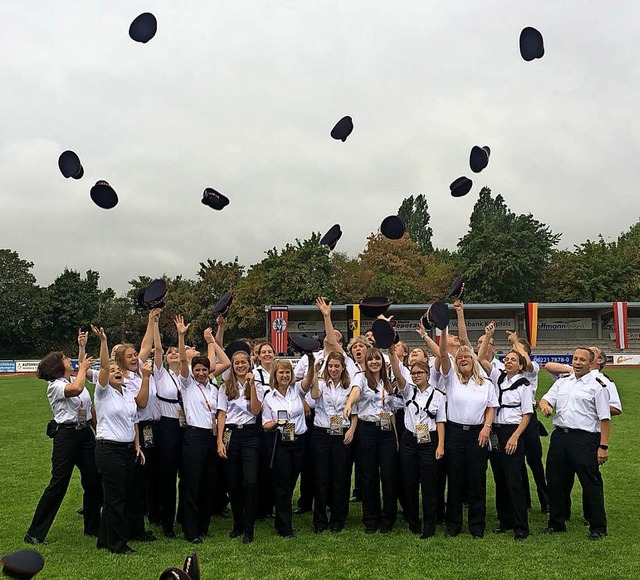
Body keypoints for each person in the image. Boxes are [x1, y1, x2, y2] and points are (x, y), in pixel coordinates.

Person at [24, 349, 101, 545]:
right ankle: (34, 532)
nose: (69, 360)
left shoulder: (72, 380)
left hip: (84, 434)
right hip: (66, 436)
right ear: (58, 365)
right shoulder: (55, 386)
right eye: (65, 358)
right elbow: (75, 390)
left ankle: (92, 526)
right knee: (58, 484)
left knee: (93, 479)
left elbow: (88, 407)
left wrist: (98, 431)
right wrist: (83, 368)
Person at [539, 347, 611, 540]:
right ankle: (556, 522)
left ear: (591, 363)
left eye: (582, 360)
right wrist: (545, 405)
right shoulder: (563, 382)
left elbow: (605, 418)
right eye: (575, 359)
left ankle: (597, 527)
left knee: (590, 483)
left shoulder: (598, 385)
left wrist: (603, 447)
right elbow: (546, 399)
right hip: (560, 437)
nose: (578, 362)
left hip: (585, 439)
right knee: (554, 481)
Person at [92, 325, 147, 555]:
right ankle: (118, 544)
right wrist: (104, 341)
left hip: (126, 450)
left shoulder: (127, 395)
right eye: (112, 369)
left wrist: (137, 446)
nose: (115, 371)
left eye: (118, 369)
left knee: (120, 495)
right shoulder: (103, 392)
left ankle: (104, 539)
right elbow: (104, 365)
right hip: (109, 450)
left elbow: (133, 421)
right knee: (115, 499)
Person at [439, 326, 498, 538]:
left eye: (467, 356)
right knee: (454, 480)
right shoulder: (450, 379)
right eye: (460, 357)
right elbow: (443, 354)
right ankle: (453, 525)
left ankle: (477, 526)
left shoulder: (485, 383)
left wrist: (486, 428)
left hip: (478, 435)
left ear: (473, 360)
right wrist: (443, 328)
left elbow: (491, 407)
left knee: (476, 481)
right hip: (455, 434)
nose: (463, 359)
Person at [479, 323, 533, 541]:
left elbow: (526, 415)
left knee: (514, 480)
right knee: (500, 478)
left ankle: (521, 526)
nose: (509, 361)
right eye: (507, 359)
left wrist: (515, 436)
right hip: (496, 432)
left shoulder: (524, 385)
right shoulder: (498, 377)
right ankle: (505, 520)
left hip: (512, 432)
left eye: (514, 360)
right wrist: (487, 336)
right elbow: (481, 359)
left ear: (520, 365)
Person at [389, 347, 445, 539]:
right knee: (409, 484)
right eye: (413, 373)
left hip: (429, 441)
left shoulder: (438, 395)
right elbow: (397, 372)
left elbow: (440, 422)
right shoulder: (407, 392)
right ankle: (413, 522)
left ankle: (430, 525)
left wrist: (440, 446)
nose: (416, 376)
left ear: (428, 374)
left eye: (420, 372)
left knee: (429, 486)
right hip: (409, 441)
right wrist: (391, 352)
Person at [113, 309, 160, 541]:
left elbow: (146, 344)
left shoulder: (138, 369)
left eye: (135, 356)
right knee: (135, 480)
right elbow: (140, 403)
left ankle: (141, 521)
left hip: (148, 428)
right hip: (135, 431)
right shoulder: (122, 379)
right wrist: (146, 378)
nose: (135, 358)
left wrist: (151, 322)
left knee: (145, 477)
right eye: (130, 356)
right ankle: (134, 527)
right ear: (121, 360)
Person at [344, 347, 398, 534]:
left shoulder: (387, 381)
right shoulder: (360, 377)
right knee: (368, 476)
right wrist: (349, 404)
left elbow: (391, 410)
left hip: (386, 431)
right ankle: (371, 519)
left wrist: (395, 436)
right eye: (370, 360)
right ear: (366, 363)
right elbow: (356, 392)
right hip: (366, 430)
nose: (374, 362)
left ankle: (388, 518)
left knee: (389, 475)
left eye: (377, 359)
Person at [175, 315, 219, 544]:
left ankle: (203, 525)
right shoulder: (188, 384)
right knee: (192, 483)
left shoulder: (214, 388)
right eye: (198, 370)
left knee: (209, 483)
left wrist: (211, 341)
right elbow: (183, 361)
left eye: (204, 369)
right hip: (193, 436)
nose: (201, 373)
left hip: (211, 438)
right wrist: (182, 336)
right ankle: (190, 530)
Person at [262, 357, 315, 538]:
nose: (284, 376)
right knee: (282, 484)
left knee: (292, 482)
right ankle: (285, 527)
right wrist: (277, 422)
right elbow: (265, 425)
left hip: (300, 441)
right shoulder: (269, 397)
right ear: (275, 375)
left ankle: (282, 518)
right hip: (281, 443)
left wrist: (311, 360)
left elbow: (308, 380)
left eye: (287, 372)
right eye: (281, 372)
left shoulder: (297, 391)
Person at [217, 348, 262, 544]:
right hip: (230, 434)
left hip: (250, 434)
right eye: (237, 363)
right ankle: (238, 523)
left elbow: (255, 410)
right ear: (233, 367)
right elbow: (221, 414)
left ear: (249, 364)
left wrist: (252, 386)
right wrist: (219, 440)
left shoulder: (256, 385)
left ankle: (249, 528)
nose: (240, 366)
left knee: (250, 482)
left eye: (244, 362)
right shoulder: (225, 387)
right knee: (232, 482)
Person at [309, 352, 357, 533]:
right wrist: (315, 372)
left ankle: (338, 518)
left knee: (341, 478)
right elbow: (314, 395)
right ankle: (320, 520)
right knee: (321, 478)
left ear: (343, 367)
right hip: (322, 434)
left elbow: (355, 412)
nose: (334, 369)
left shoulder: (349, 386)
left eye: (337, 366)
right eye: (330, 366)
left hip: (342, 434)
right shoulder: (321, 382)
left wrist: (351, 430)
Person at [507, 332, 549, 515]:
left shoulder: (533, 368)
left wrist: (517, 342)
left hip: (529, 418)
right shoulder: (509, 374)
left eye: (517, 352)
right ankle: (524, 501)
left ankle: (546, 502)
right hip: (513, 418)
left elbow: (528, 363)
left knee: (535, 461)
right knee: (517, 462)